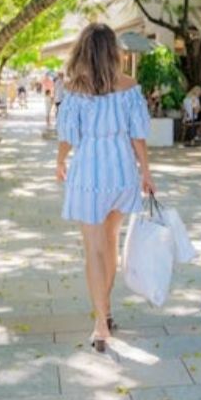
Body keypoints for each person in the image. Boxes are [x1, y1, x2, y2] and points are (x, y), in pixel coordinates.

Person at [54, 24, 154, 353]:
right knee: (111, 241)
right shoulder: (129, 86)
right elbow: (138, 134)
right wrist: (146, 172)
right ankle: (107, 311)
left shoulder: (73, 89)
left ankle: (100, 324)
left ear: (82, 51)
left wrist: (60, 161)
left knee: (93, 248)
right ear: (113, 51)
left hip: (90, 172)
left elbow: (68, 136)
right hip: (122, 169)